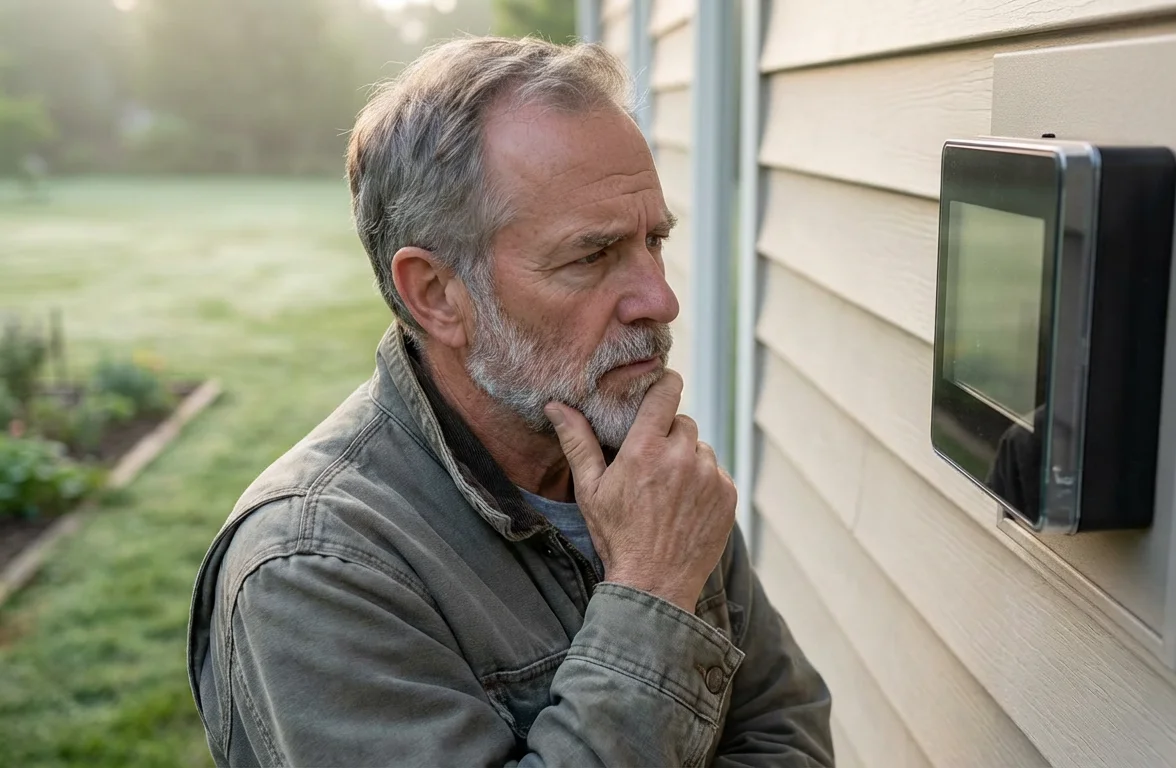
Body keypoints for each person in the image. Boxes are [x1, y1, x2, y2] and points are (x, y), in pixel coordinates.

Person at [186, 37, 832, 767]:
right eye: (591, 256)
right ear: (437, 295)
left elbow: (790, 733)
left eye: (654, 241)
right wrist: (650, 592)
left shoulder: (648, 472)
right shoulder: (315, 570)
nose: (661, 298)